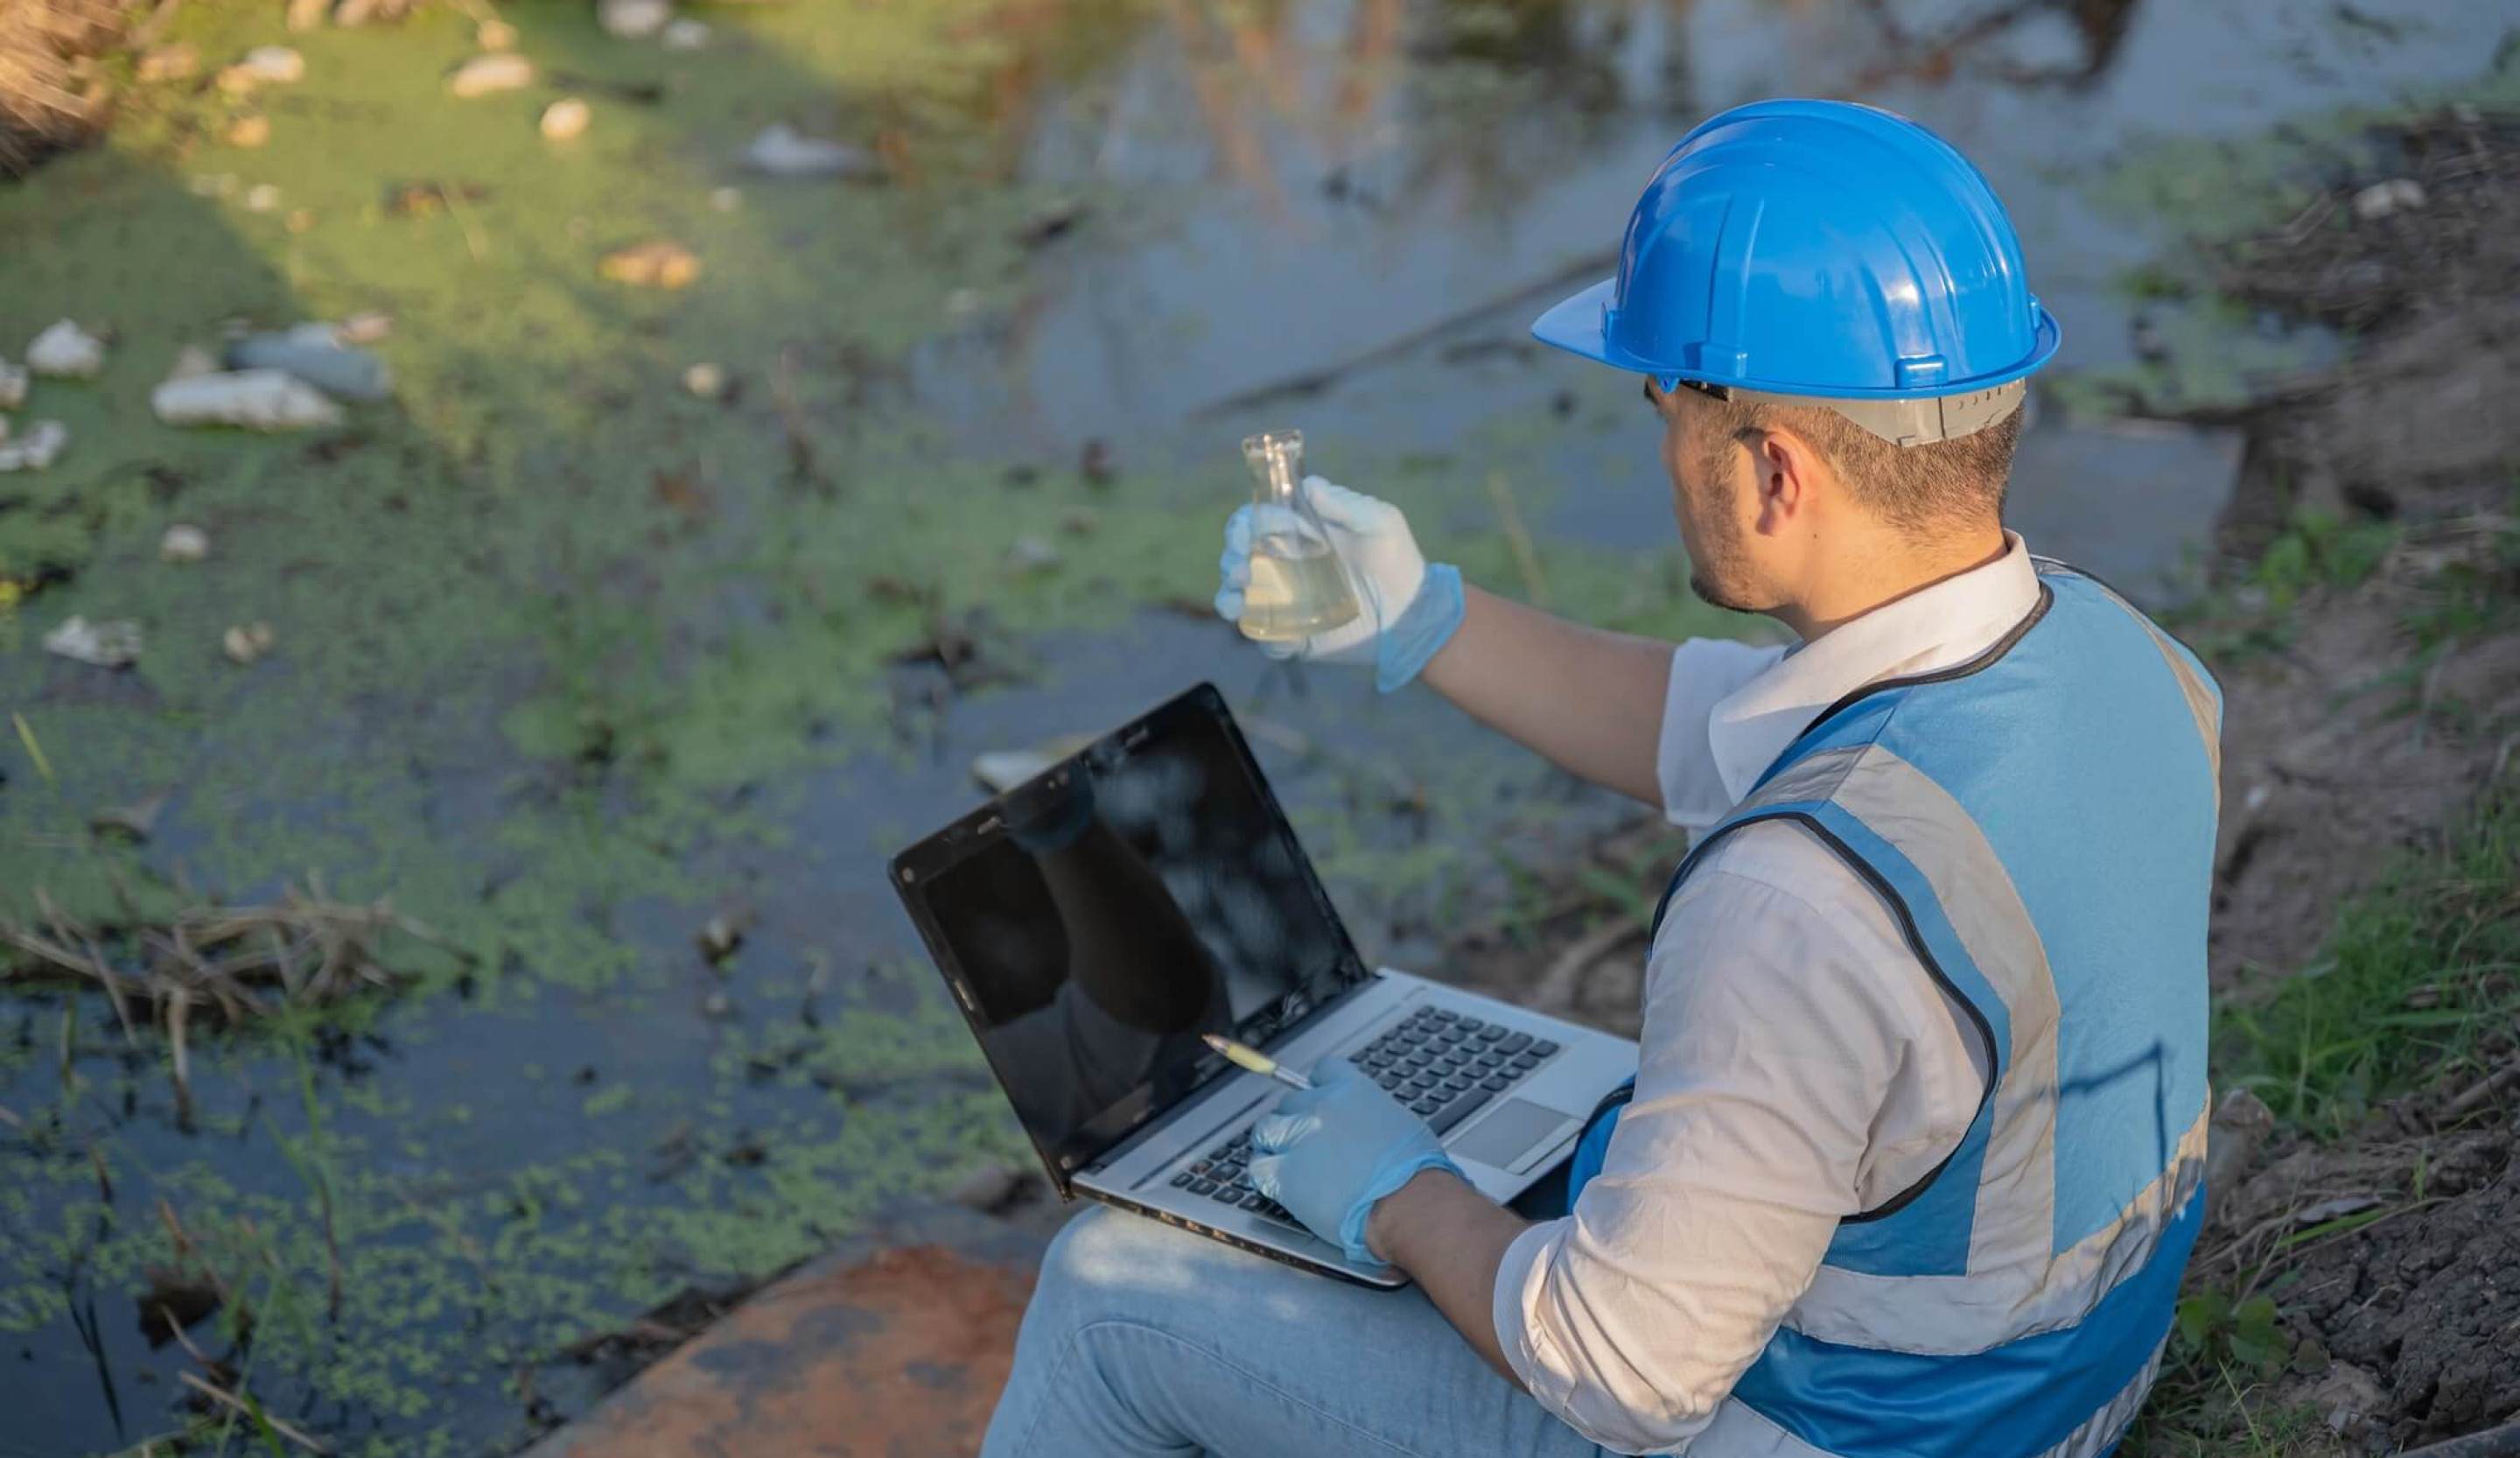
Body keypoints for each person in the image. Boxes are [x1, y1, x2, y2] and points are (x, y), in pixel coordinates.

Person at [981, 98, 2219, 1458]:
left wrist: (1400, 1196)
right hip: (2070, 1366)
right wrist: (1425, 619)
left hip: (1867, 1434)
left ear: (1770, 470)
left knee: (1106, 1299)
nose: (1661, 453)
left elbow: (1623, 1370)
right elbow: (1713, 724)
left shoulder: (1796, 903)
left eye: (1661, 405)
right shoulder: (2121, 658)